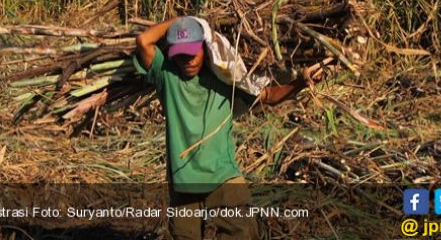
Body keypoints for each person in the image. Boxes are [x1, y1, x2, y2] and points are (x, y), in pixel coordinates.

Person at [134, 16, 319, 240]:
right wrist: (183, 21)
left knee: (242, 232)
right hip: (184, 181)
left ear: (205, 47)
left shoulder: (225, 78)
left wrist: (300, 82)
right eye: (181, 55)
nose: (188, 60)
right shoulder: (166, 75)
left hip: (223, 176)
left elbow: (268, 95)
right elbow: (144, 40)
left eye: (193, 52)